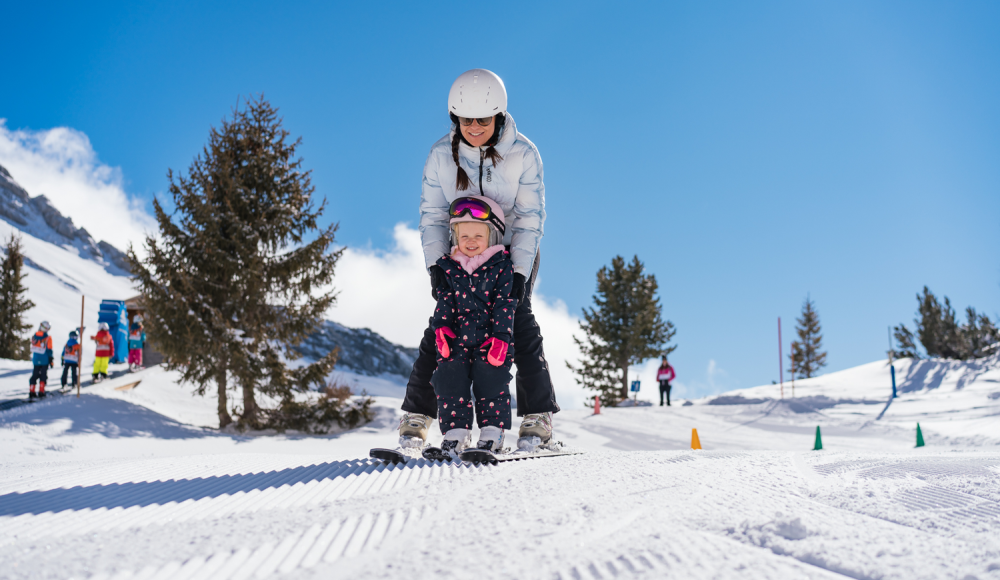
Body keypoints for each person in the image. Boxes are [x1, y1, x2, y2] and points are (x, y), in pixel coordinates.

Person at [400, 68, 559, 449]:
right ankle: (418, 417)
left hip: (511, 254)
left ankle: (538, 417)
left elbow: (529, 218)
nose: (474, 126)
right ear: (456, 117)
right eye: (466, 119)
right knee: (441, 330)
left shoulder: (523, 154)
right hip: (459, 254)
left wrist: (519, 272)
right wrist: (436, 263)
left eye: (483, 119)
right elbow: (434, 214)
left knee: (519, 325)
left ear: (498, 116)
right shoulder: (441, 155)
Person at [427, 196, 517, 455]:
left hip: (491, 339)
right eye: (464, 235)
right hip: (456, 338)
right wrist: (441, 329)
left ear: (493, 237)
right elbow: (444, 301)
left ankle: (492, 433)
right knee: (448, 379)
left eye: (478, 235)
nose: (470, 241)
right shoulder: (449, 267)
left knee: (491, 381)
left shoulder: (500, 267)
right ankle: (455, 434)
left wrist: (502, 337)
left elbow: (504, 303)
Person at [28, 321, 54, 399]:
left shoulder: (34, 336)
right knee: (43, 375)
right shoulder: (48, 338)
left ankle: (32, 391)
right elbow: (49, 350)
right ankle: (41, 391)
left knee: (35, 374)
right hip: (44, 360)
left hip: (35, 359)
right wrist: (51, 360)